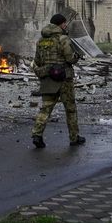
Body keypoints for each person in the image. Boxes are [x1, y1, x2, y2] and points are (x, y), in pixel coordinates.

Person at [31, 13, 84, 148]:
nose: (66, 25)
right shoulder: (63, 39)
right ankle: (74, 137)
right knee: (70, 109)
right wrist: (77, 55)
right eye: (64, 23)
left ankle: (37, 135)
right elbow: (70, 59)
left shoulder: (41, 41)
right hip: (64, 79)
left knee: (46, 108)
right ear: (60, 24)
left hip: (48, 78)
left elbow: (37, 61)